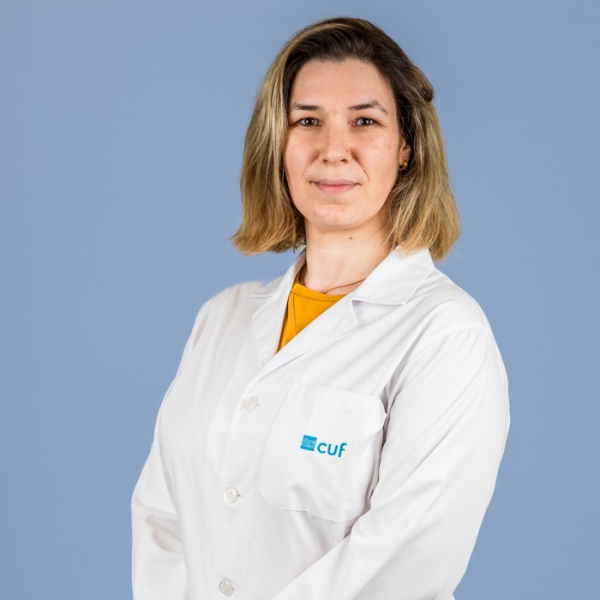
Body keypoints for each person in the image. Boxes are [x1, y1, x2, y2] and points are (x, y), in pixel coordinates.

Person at [131, 17, 509, 600]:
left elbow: (407, 555)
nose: (334, 150)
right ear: (278, 146)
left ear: (406, 147)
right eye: (307, 121)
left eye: (365, 121)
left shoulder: (444, 333)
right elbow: (163, 515)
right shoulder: (222, 318)